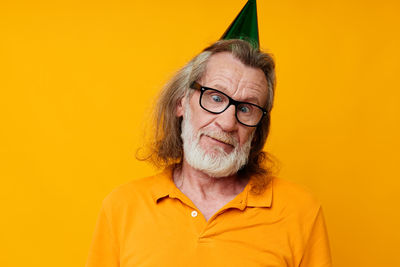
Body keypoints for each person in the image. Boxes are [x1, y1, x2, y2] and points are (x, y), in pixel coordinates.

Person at [86, 1, 332, 266]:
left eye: (247, 108)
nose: (227, 122)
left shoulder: (300, 212)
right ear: (181, 101)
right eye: (215, 97)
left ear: (258, 126)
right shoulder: (123, 207)